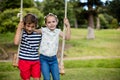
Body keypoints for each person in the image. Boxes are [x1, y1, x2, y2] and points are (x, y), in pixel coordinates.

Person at [35, 13, 71, 80]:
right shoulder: (43, 30)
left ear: (56, 22)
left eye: (53, 21)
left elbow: (68, 38)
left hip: (54, 59)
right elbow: (34, 30)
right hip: (43, 59)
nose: (51, 24)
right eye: (49, 22)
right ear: (46, 24)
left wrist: (68, 25)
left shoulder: (58, 31)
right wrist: (23, 27)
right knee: (47, 78)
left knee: (56, 78)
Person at [14, 13, 42, 80]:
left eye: (32, 26)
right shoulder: (22, 32)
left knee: (37, 78)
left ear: (36, 26)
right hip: (24, 61)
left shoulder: (38, 34)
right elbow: (16, 42)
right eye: (28, 26)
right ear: (24, 25)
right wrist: (19, 28)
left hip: (36, 61)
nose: (30, 29)